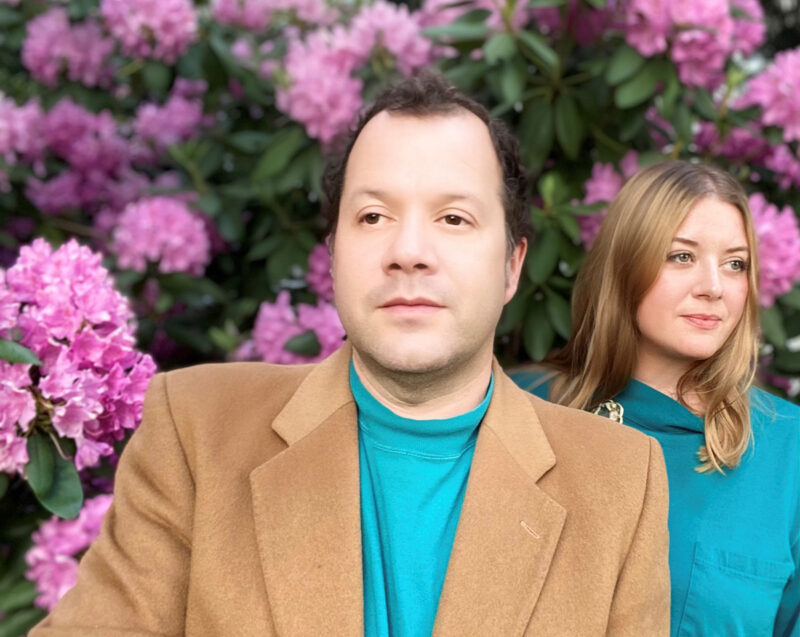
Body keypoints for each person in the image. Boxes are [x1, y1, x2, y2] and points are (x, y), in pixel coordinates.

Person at [31, 73, 670, 637]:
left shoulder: (619, 481)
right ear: (333, 254)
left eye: (453, 219)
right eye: (372, 217)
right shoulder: (197, 429)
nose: (409, 251)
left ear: (511, 265)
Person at [513, 161, 799, 637]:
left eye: (735, 264)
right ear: (626, 266)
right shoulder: (524, 406)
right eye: (681, 257)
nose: (713, 288)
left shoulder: (786, 450)